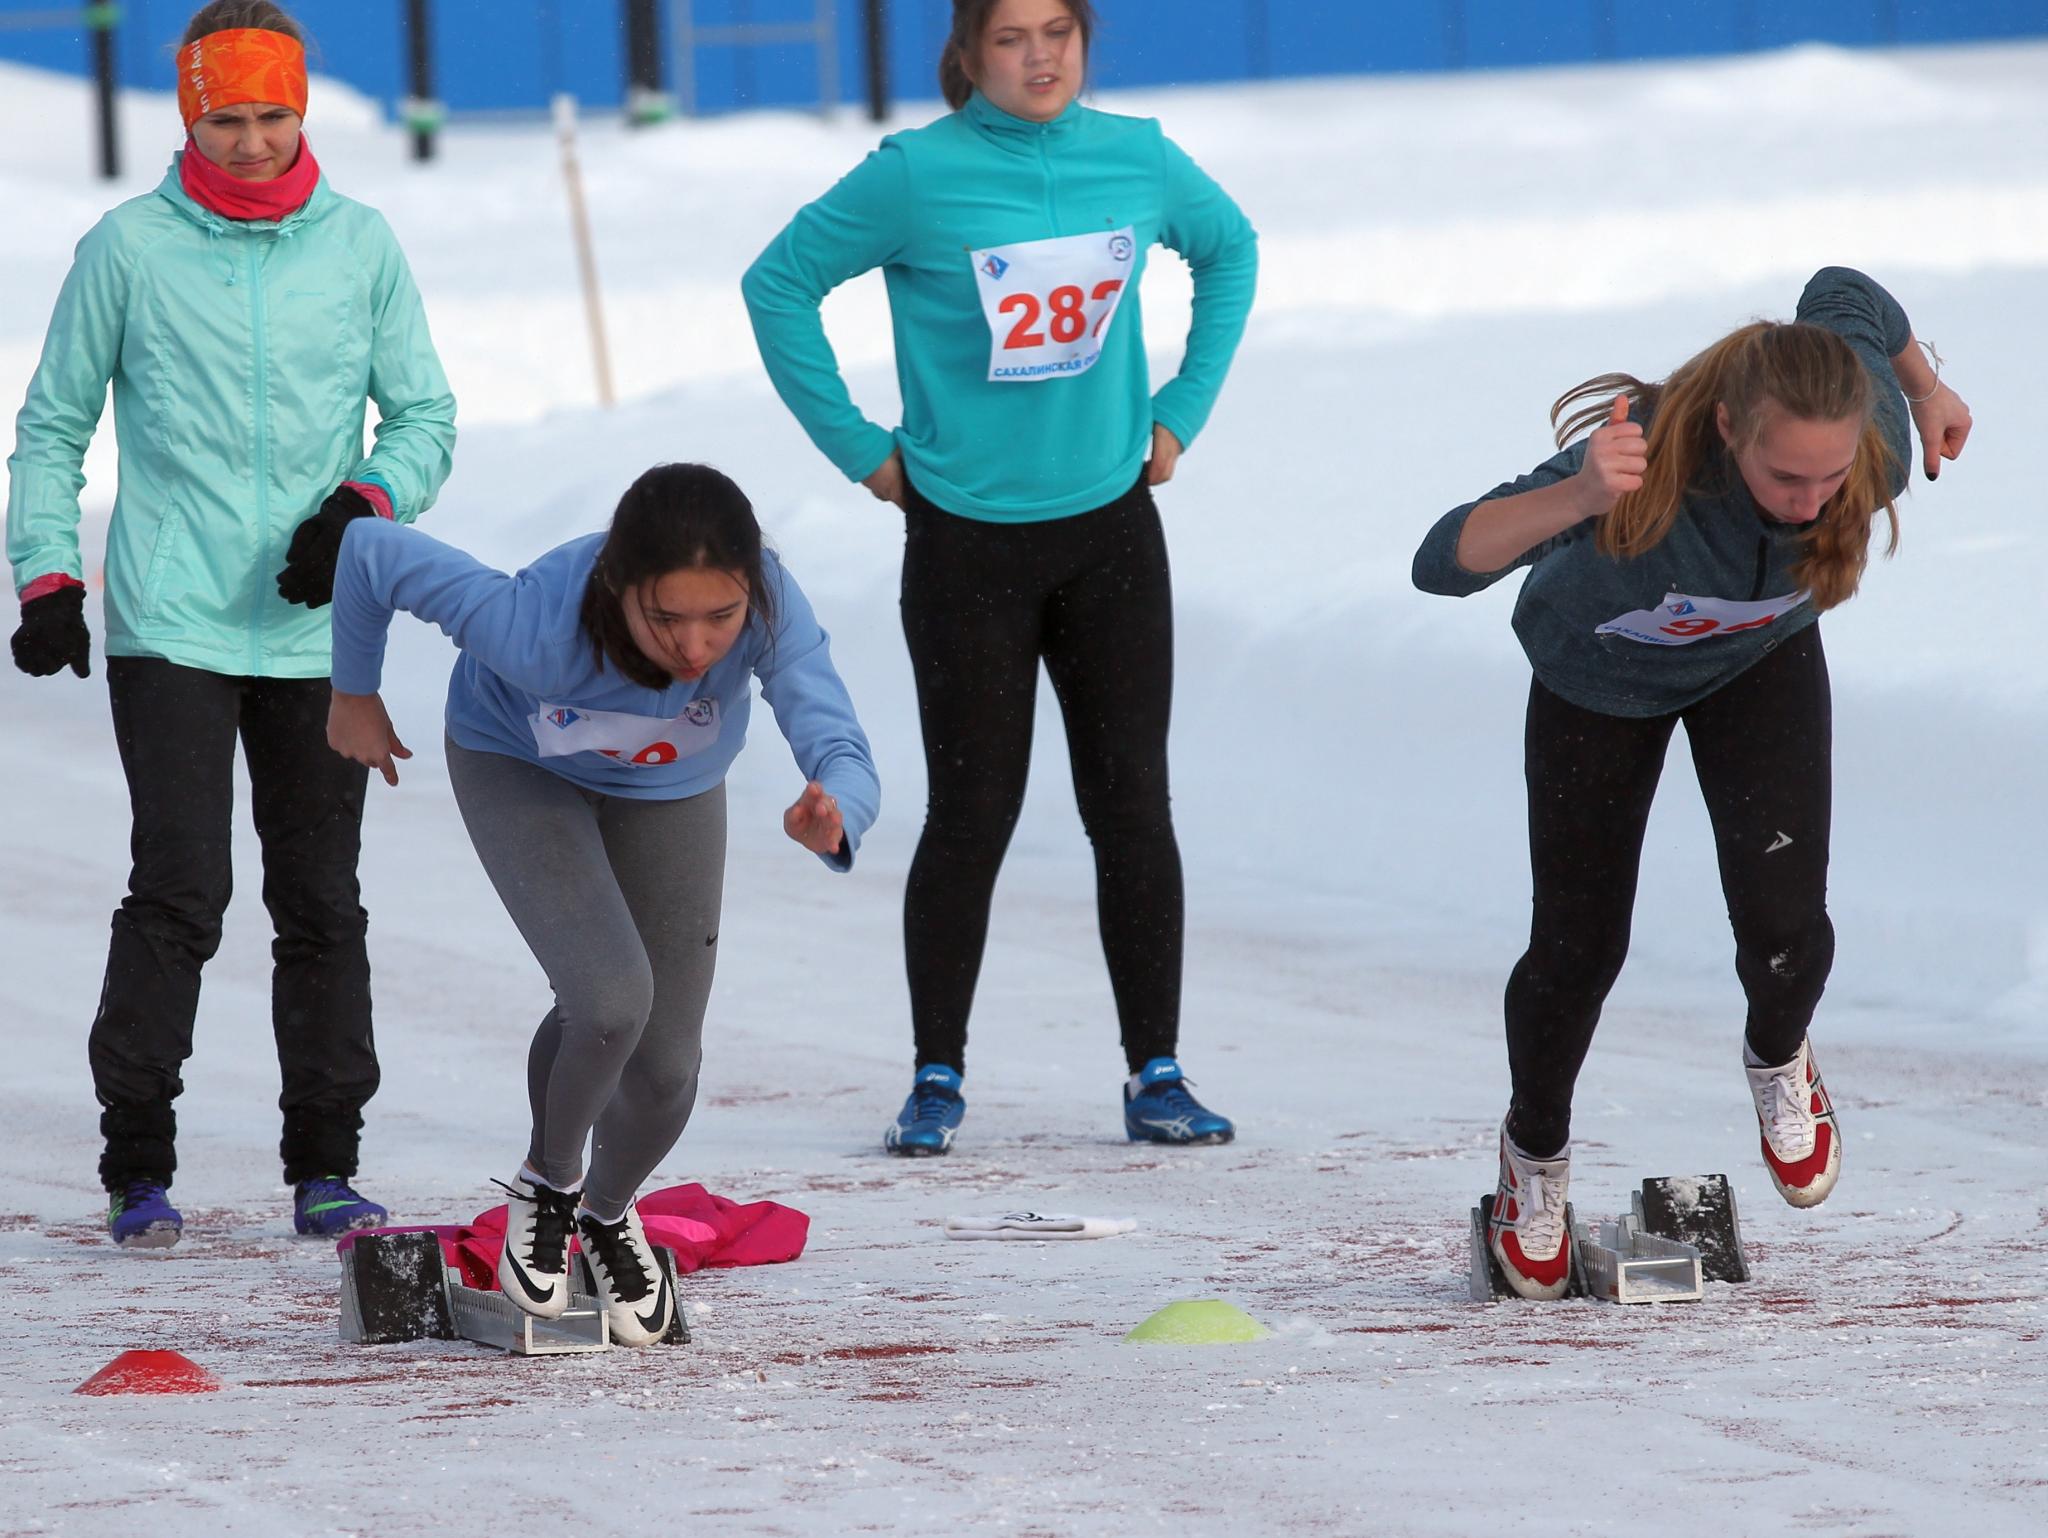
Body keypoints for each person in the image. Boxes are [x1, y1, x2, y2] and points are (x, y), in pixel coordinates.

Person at [742, 0, 1258, 1156]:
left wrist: (1178, 412)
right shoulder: (913, 176)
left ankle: (1155, 1069)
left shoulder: (1137, 156)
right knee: (973, 812)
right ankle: (936, 1073)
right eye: (1013, 37)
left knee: (1130, 805)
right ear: (969, 52)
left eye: (1058, 33)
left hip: (1109, 536)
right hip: (967, 543)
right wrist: (862, 452)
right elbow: (775, 286)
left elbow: (1230, 251)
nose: (1040, 58)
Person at [1411, 267, 1972, 1299]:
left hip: (1754, 662)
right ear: (1726, 430)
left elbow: (1844, 292)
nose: (1811, 504)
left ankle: (1778, 1058)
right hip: (1596, 676)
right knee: (1578, 948)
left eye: (1828, 479)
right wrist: (1579, 492)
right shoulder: (1649, 454)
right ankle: (1528, 1162)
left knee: (1781, 925)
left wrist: (1925, 389)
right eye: (1783, 479)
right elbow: (1439, 562)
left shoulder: (1870, 443)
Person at [4, 0, 456, 1248]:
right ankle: (136, 1162)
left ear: (301, 112)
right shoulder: (128, 248)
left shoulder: (360, 246)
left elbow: (423, 416)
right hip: (175, 621)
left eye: (272, 115)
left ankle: (326, 1161)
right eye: (226, 118)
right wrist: (49, 572)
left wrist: (365, 503)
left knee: (321, 900)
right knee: (182, 887)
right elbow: (52, 426)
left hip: (318, 629)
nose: (252, 140)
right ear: (189, 117)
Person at [294, 462, 879, 1345]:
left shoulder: (769, 605)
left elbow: (832, 727)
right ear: (617, 589)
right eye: (666, 619)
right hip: (519, 770)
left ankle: (607, 1214)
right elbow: (372, 550)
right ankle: (550, 1184)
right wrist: (353, 691)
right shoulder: (533, 623)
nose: (694, 649)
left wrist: (836, 804)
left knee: (667, 1066)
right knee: (609, 999)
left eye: (718, 619)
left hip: (671, 790)